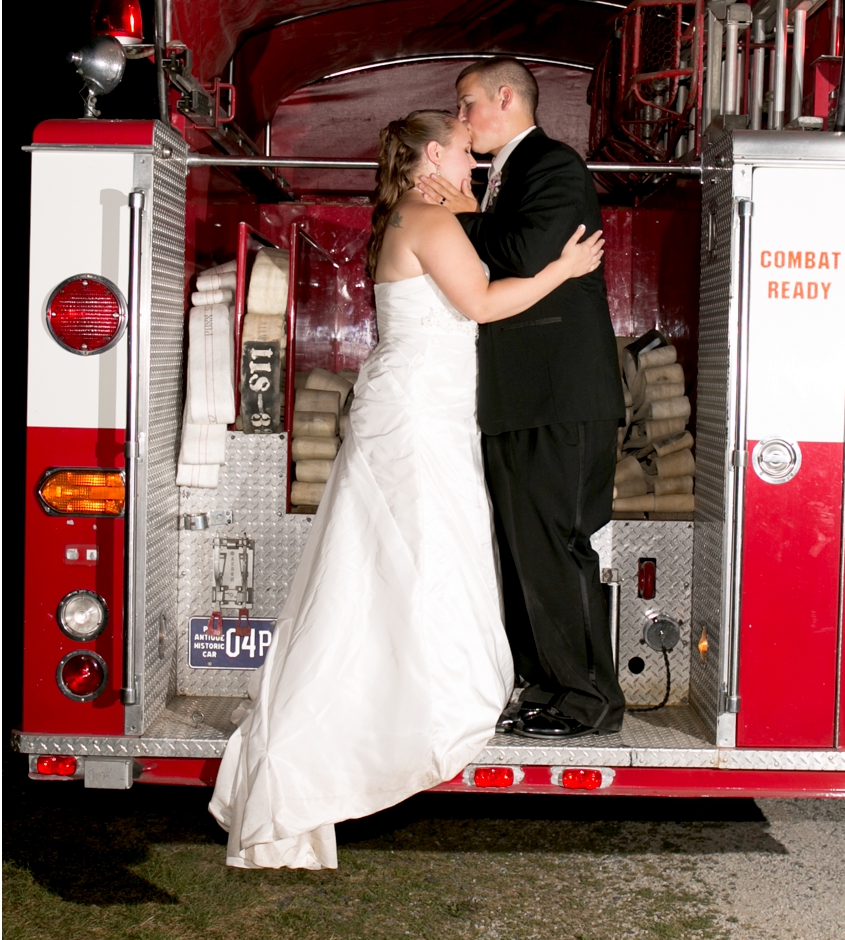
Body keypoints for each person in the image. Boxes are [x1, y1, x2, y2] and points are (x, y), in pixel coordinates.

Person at [209, 109, 604, 868]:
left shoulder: (418, 211)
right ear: (433, 154)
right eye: (462, 151)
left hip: (427, 405)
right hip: (420, 413)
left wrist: (465, 200)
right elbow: (484, 305)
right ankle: (400, 712)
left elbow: (466, 231)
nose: (473, 164)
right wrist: (562, 270)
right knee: (416, 556)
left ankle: (407, 695)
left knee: (403, 559)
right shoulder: (426, 217)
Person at [417, 59, 626, 739]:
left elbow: (522, 253)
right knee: (522, 551)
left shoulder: (554, 166)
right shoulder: (510, 173)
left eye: (467, 102)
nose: (462, 114)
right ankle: (541, 682)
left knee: (558, 547)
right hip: (517, 401)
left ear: (503, 98)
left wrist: (458, 213)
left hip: (561, 398)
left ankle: (589, 698)